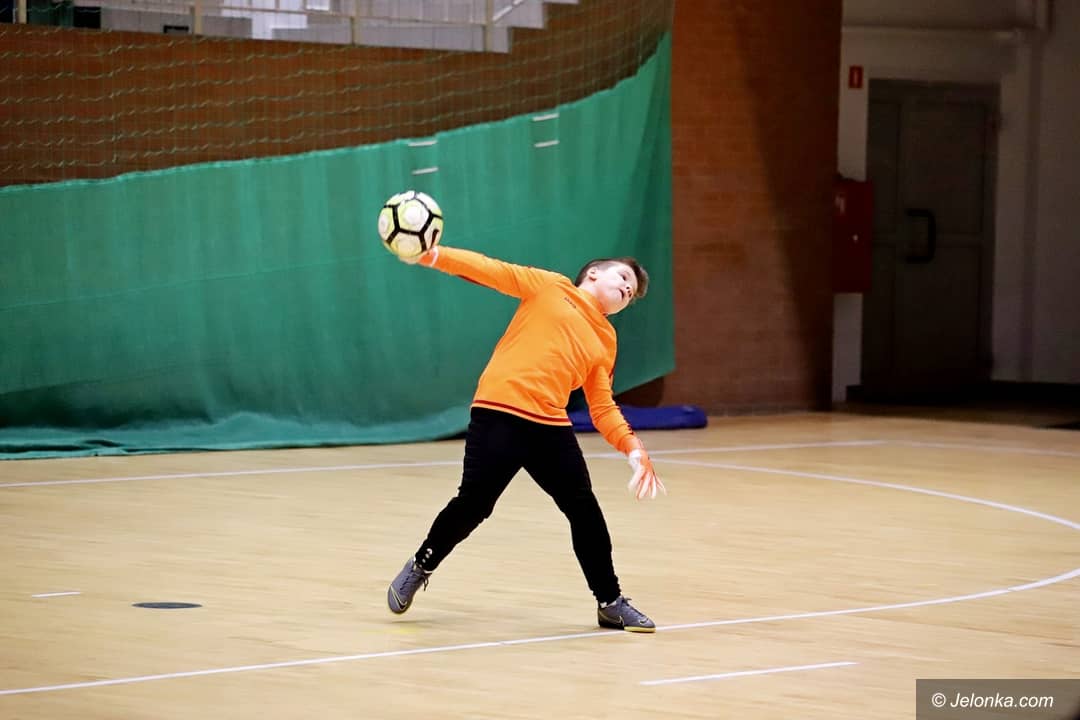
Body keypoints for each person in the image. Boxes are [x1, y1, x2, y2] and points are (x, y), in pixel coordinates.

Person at [386, 243, 665, 633]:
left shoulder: (606, 339)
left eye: (631, 292)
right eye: (623, 277)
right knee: (474, 504)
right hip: (499, 411)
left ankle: (610, 603)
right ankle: (421, 565)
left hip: (549, 425)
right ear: (594, 273)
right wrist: (432, 255)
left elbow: (602, 406)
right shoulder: (549, 286)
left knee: (584, 511)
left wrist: (632, 446)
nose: (626, 290)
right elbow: (488, 270)